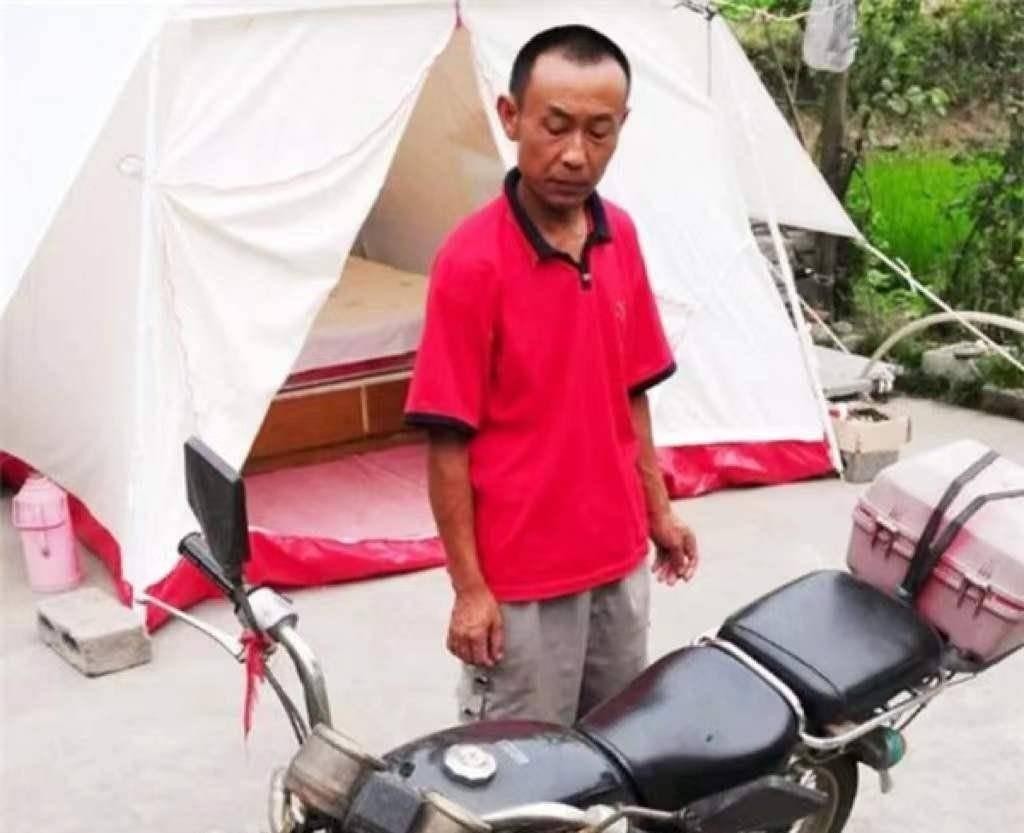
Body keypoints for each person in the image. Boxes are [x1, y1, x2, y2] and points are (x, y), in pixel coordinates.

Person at [404, 24, 698, 725]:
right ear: (512, 118)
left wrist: (657, 510)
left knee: (618, 745)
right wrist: (469, 588)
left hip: (618, 562)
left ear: (622, 126)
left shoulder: (621, 235)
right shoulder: (471, 262)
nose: (574, 154)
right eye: (555, 126)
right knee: (523, 763)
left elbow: (632, 391)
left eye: (599, 132)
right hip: (522, 583)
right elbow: (447, 442)